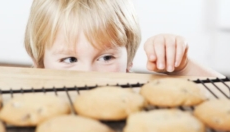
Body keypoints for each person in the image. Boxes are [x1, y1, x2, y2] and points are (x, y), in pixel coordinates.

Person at [24, 0, 213, 76]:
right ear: (40, 64)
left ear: (129, 60)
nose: (89, 75)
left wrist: (184, 68)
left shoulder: (134, 98)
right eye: (70, 59)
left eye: (106, 58)